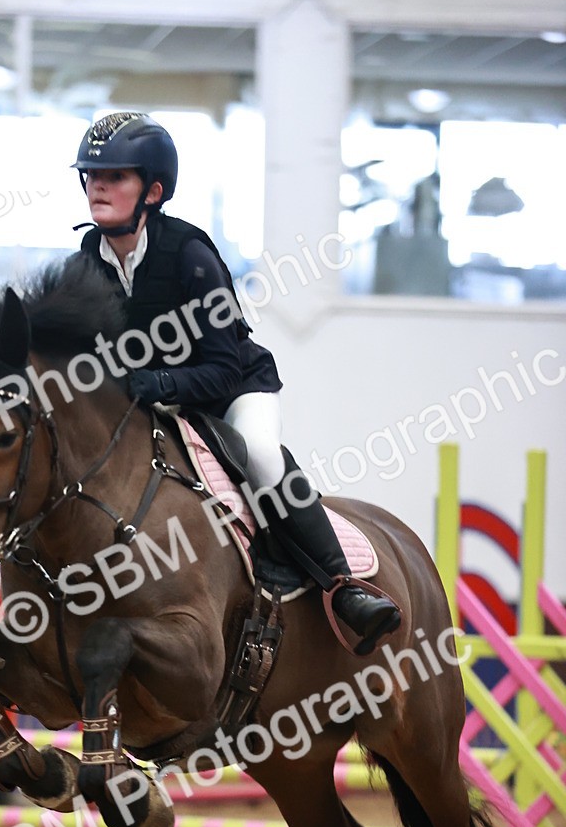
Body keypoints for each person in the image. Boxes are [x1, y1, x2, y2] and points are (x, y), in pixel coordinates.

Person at [72, 111, 400, 654]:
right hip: (152, 400)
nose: (98, 187)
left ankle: (344, 588)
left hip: (233, 391)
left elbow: (222, 368)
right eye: (92, 176)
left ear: (153, 191)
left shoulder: (190, 256)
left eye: (115, 177)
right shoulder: (88, 261)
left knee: (262, 456)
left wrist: (159, 382)